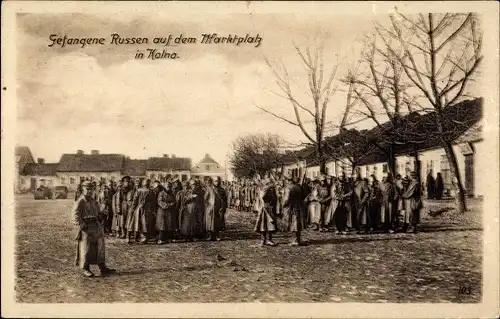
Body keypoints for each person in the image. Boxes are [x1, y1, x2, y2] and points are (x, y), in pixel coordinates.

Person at [73, 181, 116, 277]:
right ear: (82, 189)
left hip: (96, 227)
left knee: (100, 247)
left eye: (90, 189)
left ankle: (102, 267)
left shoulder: (93, 201)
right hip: (86, 229)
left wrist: (101, 214)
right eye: (87, 189)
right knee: (86, 249)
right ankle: (85, 268)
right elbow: (75, 216)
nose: (89, 191)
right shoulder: (80, 201)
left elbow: (97, 211)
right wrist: (82, 225)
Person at [282, 176, 305, 246]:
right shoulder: (299, 186)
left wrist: (283, 205)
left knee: (293, 222)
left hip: (291, 206)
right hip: (299, 206)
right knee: (298, 222)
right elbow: (303, 196)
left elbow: (286, 199)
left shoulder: (288, 187)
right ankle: (298, 239)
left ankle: (295, 240)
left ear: (288, 180)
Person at [127, 178, 151, 244]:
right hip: (146, 209)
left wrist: (133, 208)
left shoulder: (138, 190)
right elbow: (153, 202)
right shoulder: (150, 191)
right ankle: (143, 238)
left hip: (138, 208)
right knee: (144, 224)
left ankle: (130, 238)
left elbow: (135, 200)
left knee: (134, 223)